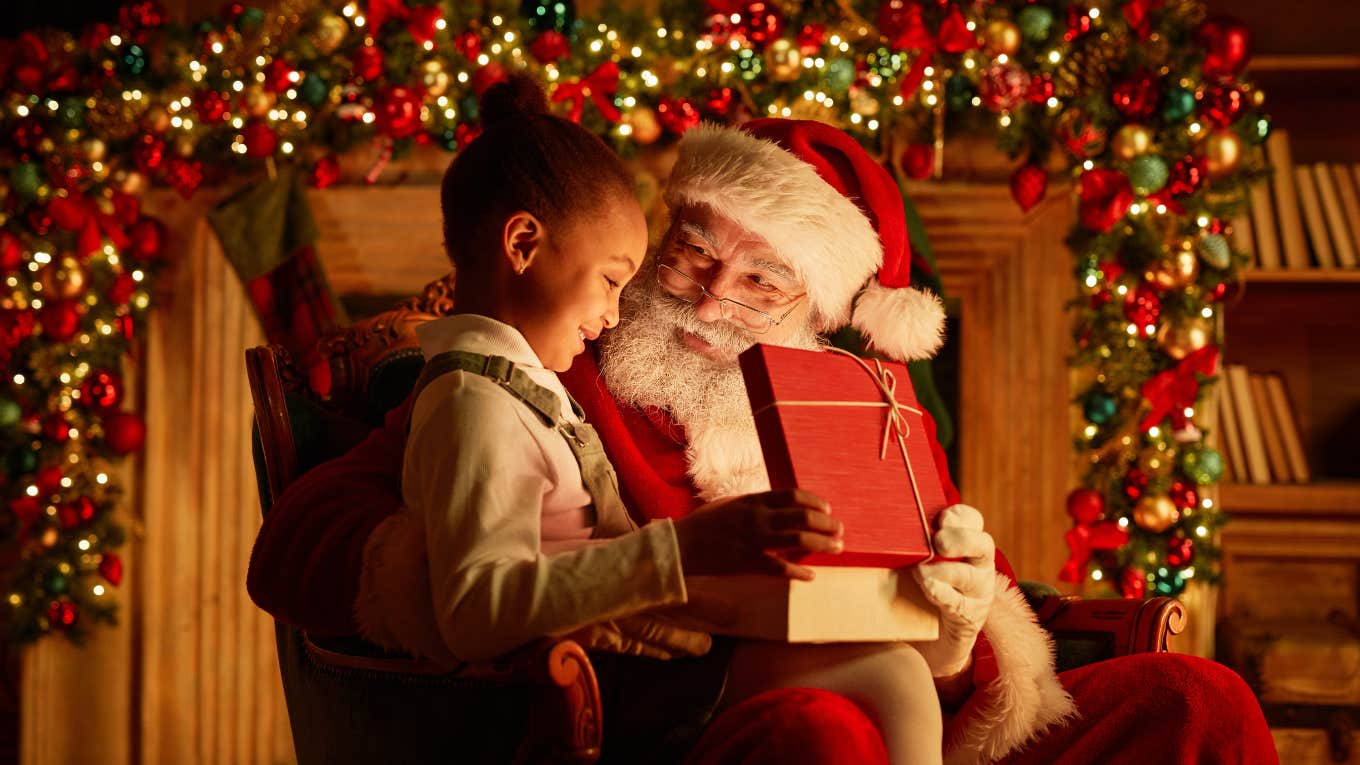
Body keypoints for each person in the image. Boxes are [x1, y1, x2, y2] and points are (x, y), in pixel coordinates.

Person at [249, 114, 1279, 764]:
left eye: (760, 281)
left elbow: (971, 646)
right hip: (694, 723)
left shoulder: (858, 411)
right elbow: (305, 535)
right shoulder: (543, 366)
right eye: (694, 251)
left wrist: (967, 605)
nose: (706, 298)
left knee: (1193, 699)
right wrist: (533, 581)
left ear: (813, 310)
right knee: (826, 736)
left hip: (910, 712)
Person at [390, 75, 943, 764]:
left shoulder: (524, 384)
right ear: (524, 244)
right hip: (598, 685)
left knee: (896, 672)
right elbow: (475, 606)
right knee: (891, 678)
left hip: (663, 649)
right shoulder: (482, 397)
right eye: (687, 255)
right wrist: (684, 553)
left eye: (761, 283)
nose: (620, 313)